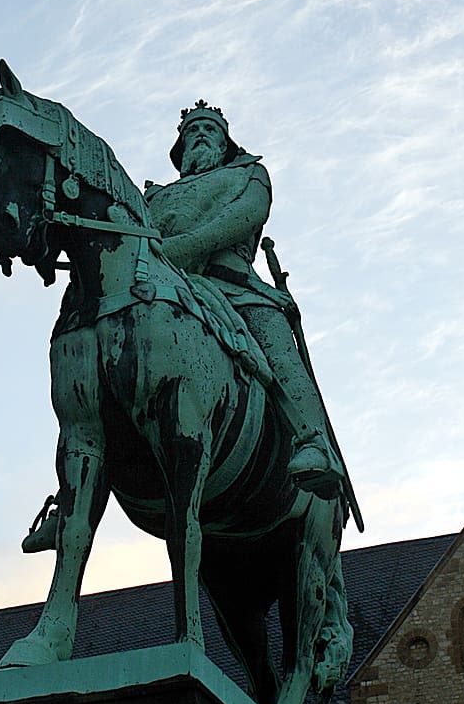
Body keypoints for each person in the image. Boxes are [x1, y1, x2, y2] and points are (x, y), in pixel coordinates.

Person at [144, 100, 345, 500]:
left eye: (210, 130)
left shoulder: (249, 174)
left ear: (224, 142)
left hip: (233, 286)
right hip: (163, 285)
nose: (200, 134)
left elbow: (244, 218)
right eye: (192, 130)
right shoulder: (154, 196)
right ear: (180, 147)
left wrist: (185, 247)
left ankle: (313, 441)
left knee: (277, 349)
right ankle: (73, 492)